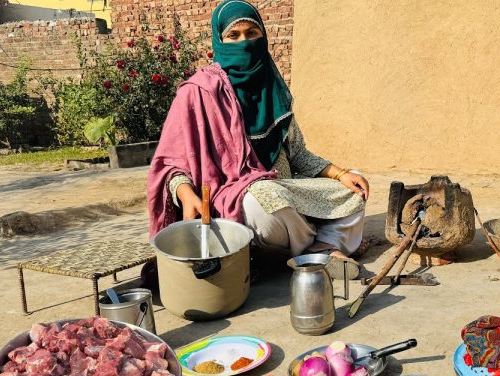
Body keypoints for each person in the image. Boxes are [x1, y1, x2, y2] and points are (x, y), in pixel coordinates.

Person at [147, 0, 370, 278]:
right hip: (232, 200)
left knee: (355, 187)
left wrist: (340, 174)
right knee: (261, 198)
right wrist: (185, 193)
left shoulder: (272, 89)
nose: (244, 42)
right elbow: (170, 163)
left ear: (263, 36)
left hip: (286, 188)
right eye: (234, 35)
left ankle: (324, 246)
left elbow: (298, 154)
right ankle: (317, 244)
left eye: (252, 33)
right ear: (219, 40)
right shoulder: (198, 92)